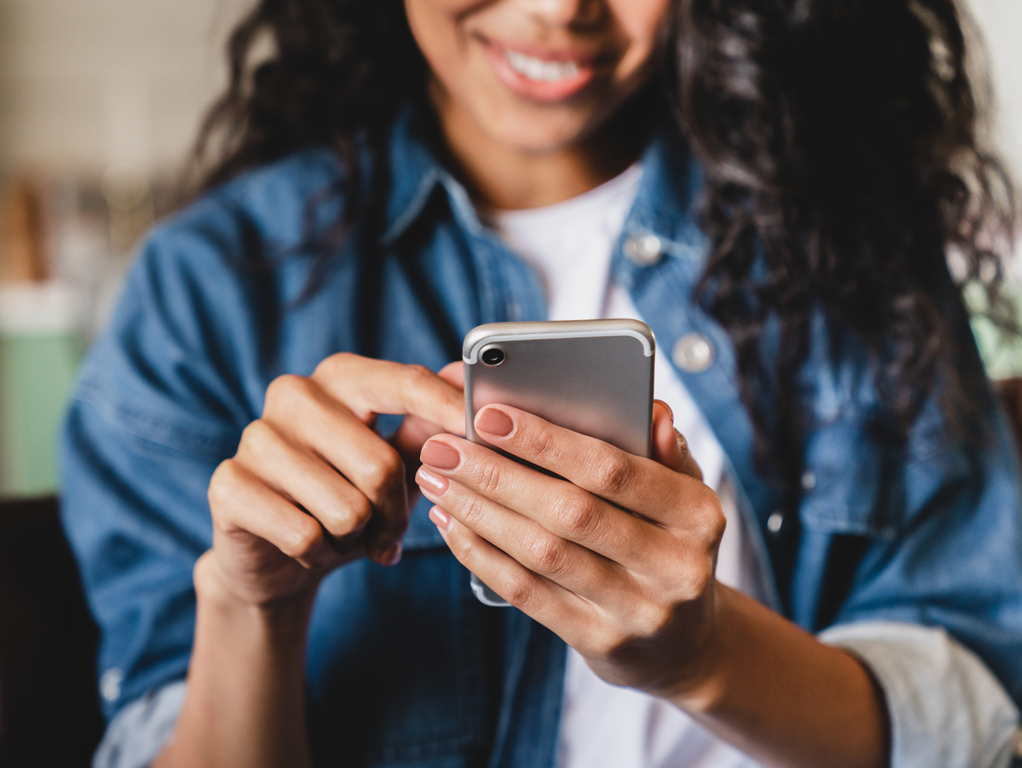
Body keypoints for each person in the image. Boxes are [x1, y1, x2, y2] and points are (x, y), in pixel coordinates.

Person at [61, 0, 1022, 767]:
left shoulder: (845, 236)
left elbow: (972, 716)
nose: (560, 10)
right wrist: (250, 606)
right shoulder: (211, 287)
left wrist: (705, 658)